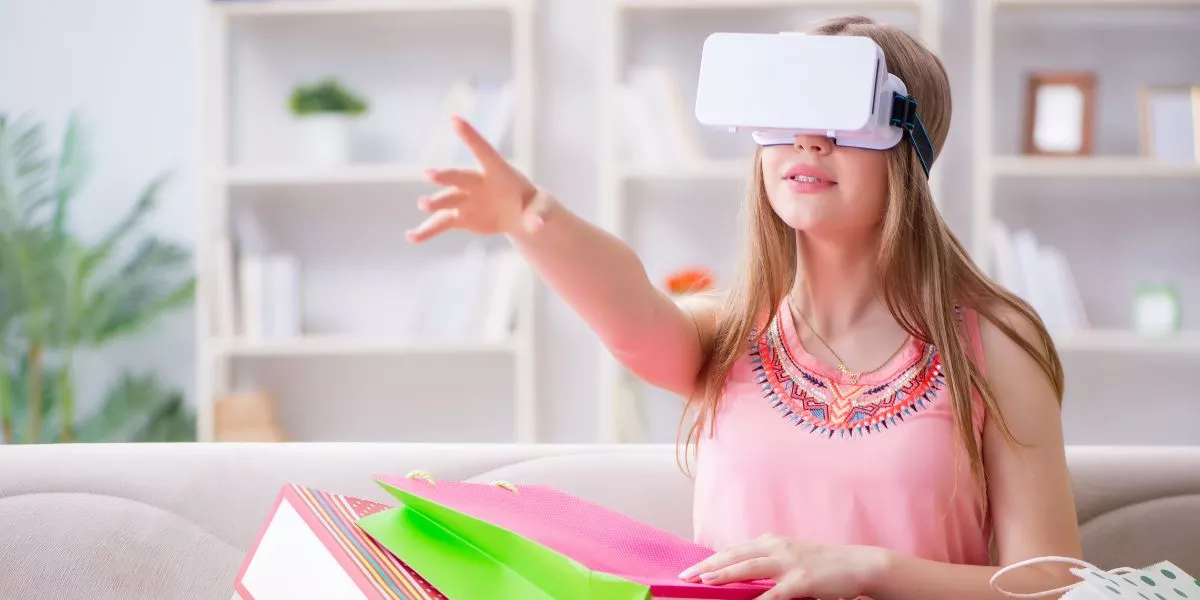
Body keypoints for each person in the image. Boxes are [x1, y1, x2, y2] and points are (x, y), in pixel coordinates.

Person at [406, 14, 1083, 600]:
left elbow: (1052, 583)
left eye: (844, 116)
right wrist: (533, 218)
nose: (809, 140)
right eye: (788, 112)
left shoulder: (994, 343)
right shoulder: (725, 338)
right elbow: (632, 313)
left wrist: (865, 570)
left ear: (909, 145)